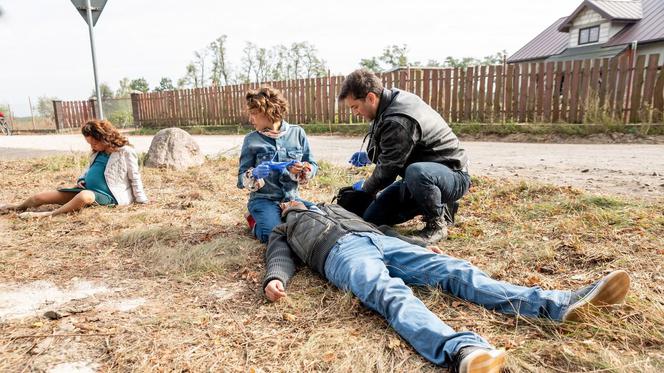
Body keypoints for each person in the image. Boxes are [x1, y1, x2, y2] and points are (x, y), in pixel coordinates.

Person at [262, 200, 631, 372]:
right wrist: (275, 278)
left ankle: (559, 303)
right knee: (390, 294)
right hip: (341, 256)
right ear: (282, 211)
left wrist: (419, 244)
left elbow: (383, 229)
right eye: (284, 203)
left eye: (293, 198)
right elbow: (278, 257)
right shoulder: (285, 229)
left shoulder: (335, 208)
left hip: (384, 243)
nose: (290, 202)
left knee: (456, 270)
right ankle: (462, 351)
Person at [339, 69, 470, 243]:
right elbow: (390, 150)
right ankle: (438, 203)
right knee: (371, 217)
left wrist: (364, 191)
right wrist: (369, 157)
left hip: (451, 176)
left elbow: (387, 171)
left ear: (371, 97)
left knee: (417, 172)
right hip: (417, 179)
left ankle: (437, 224)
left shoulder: (398, 118)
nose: (355, 113)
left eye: (355, 107)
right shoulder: (386, 105)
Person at [0, 119, 148, 218]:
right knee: (39, 197)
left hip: (108, 196)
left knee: (84, 197)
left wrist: (141, 201)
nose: (92, 146)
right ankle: (17, 207)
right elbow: (88, 170)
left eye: (94, 143)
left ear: (105, 138)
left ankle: (47, 215)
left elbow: (135, 177)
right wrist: (82, 179)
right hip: (84, 190)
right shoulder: (97, 152)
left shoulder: (125, 152)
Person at [237, 86, 318, 243]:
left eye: (254, 114)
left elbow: (312, 164)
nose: (250, 119)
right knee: (275, 235)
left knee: (317, 223)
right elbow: (240, 179)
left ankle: (279, 217)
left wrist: (304, 169)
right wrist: (252, 174)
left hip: (291, 198)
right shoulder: (251, 140)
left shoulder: (297, 133)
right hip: (263, 200)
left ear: (270, 111)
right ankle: (254, 222)